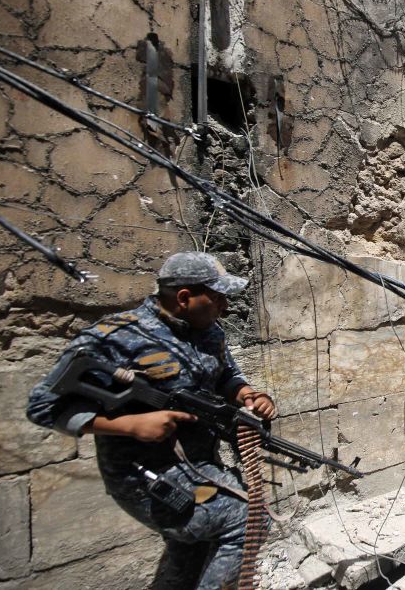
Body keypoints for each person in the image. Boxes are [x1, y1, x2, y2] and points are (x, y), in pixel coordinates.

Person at [26, 252, 276, 589]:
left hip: (199, 466)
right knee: (251, 518)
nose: (224, 307)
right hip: (144, 477)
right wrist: (128, 426)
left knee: (192, 550)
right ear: (184, 298)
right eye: (217, 297)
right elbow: (42, 407)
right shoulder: (112, 337)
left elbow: (226, 375)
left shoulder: (209, 332)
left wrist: (247, 394)